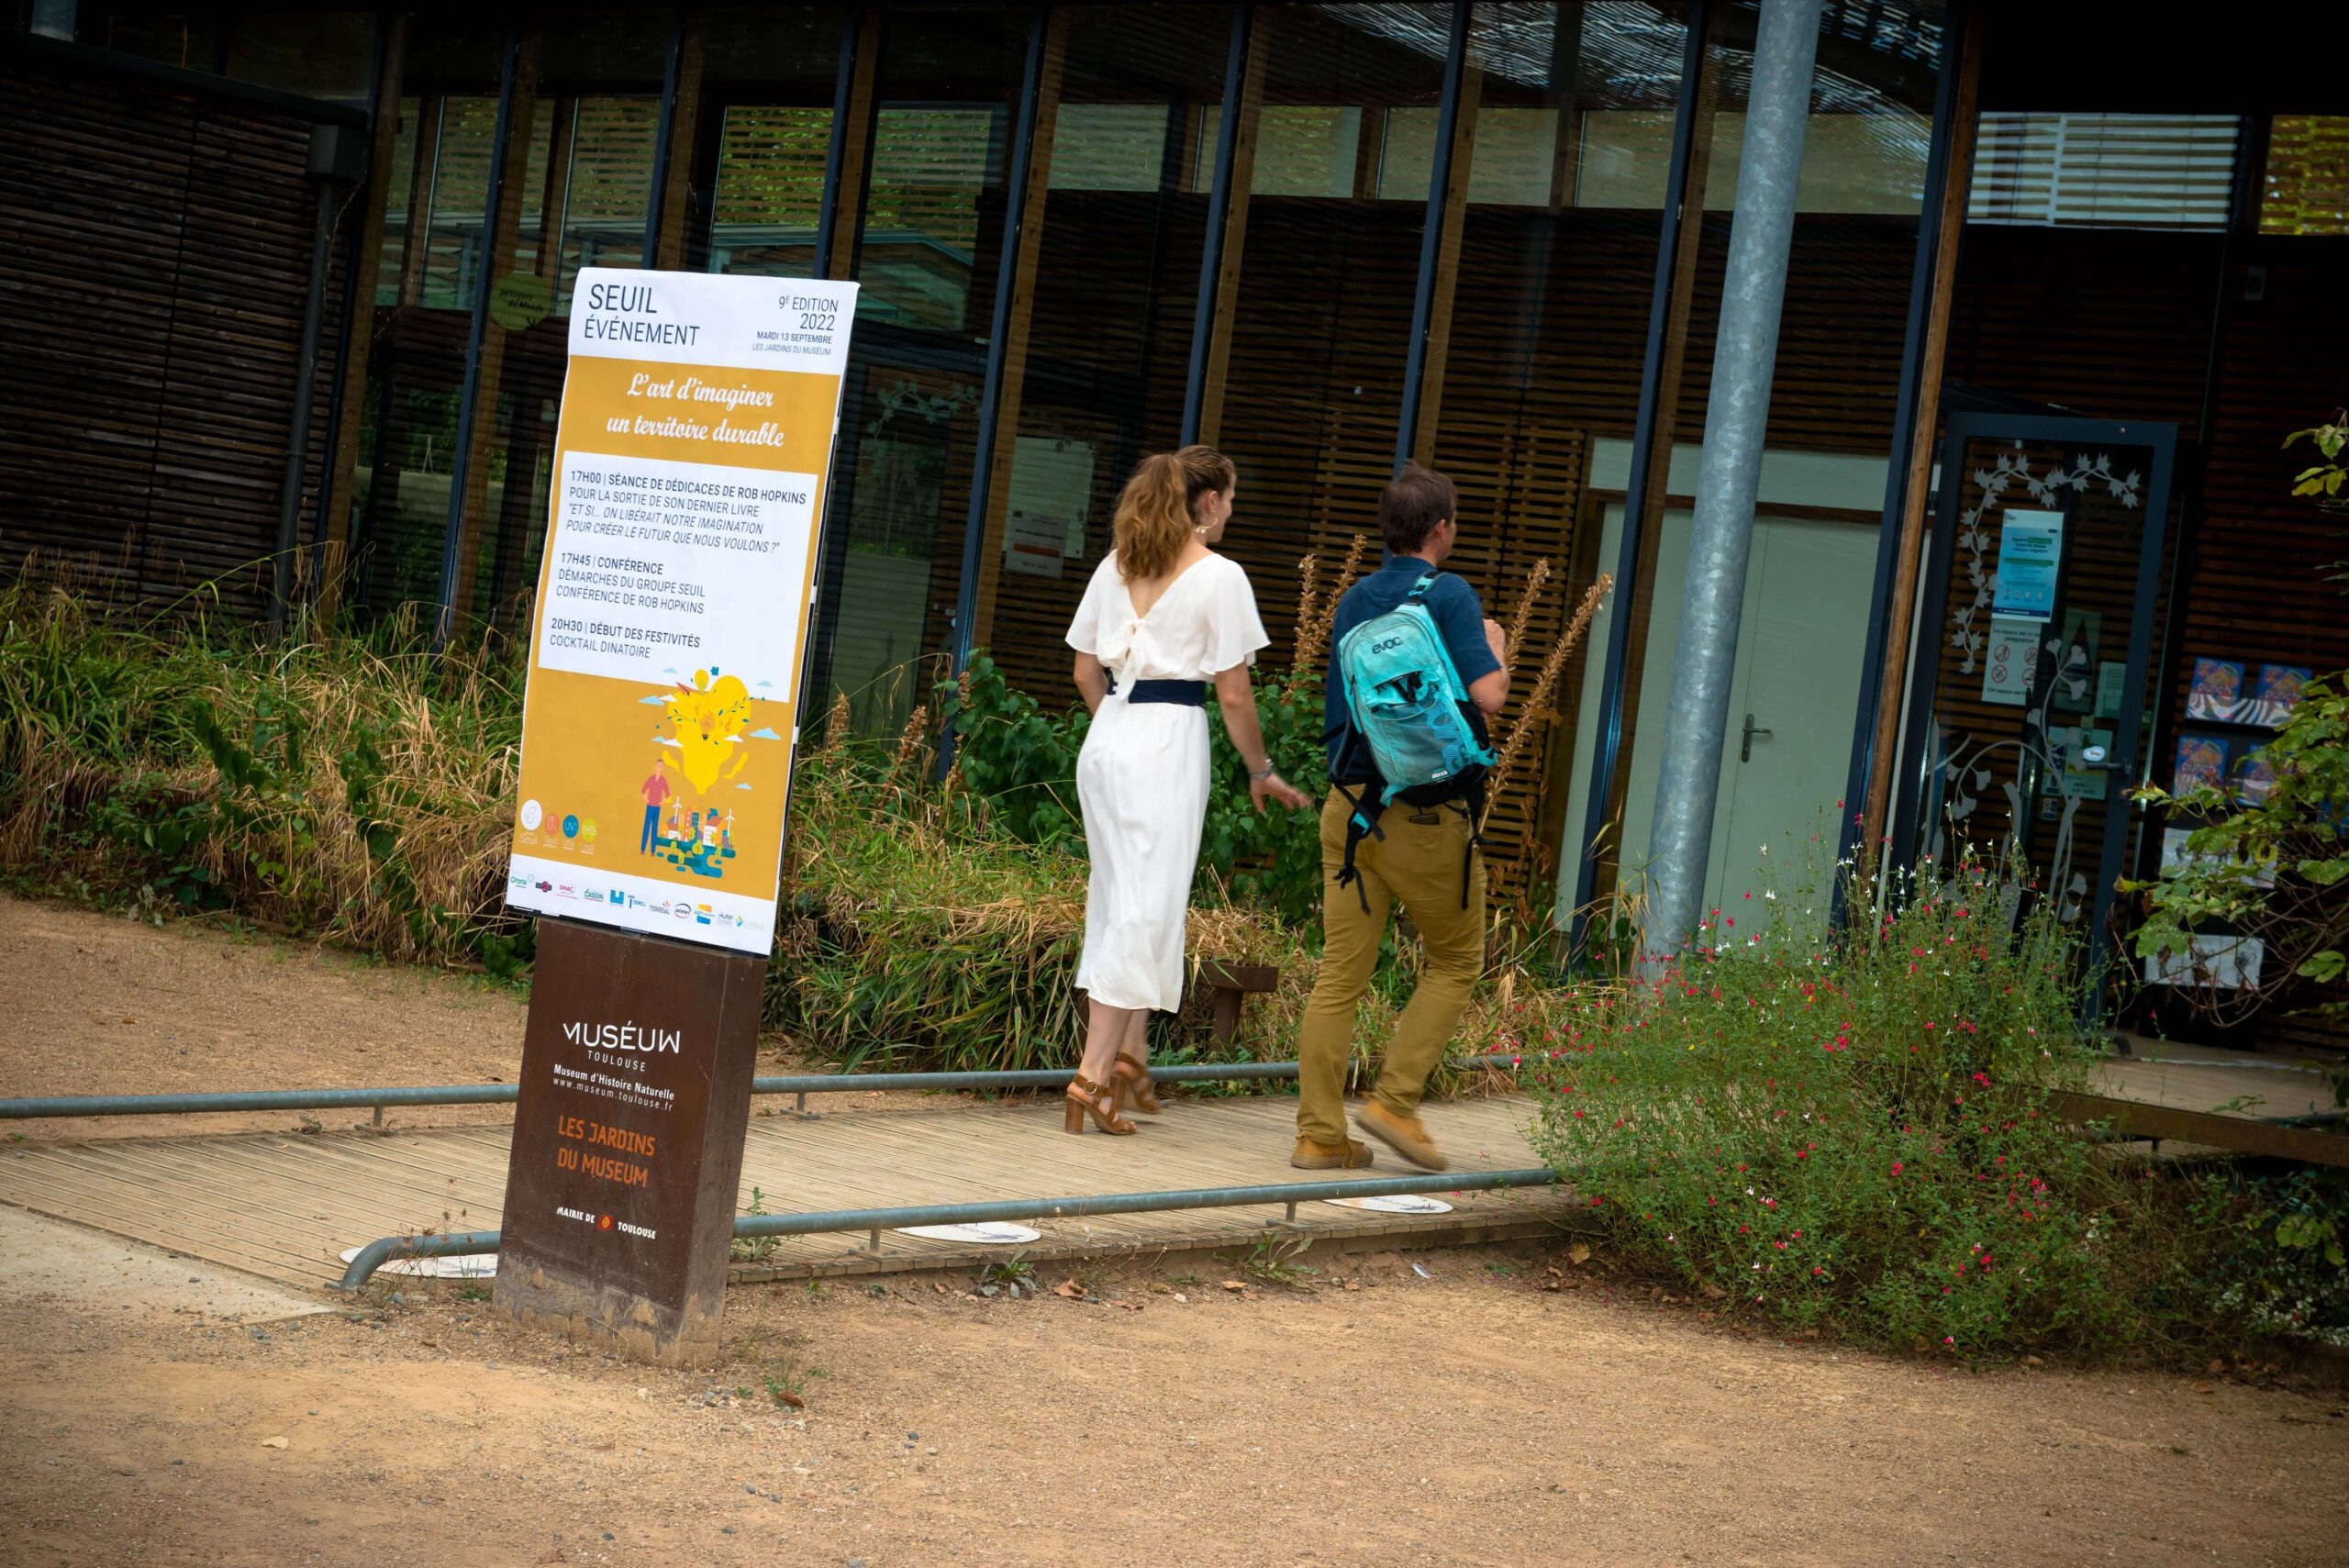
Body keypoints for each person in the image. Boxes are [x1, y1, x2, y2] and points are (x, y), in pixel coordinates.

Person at [1063, 445, 1311, 1135]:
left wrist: (1117, 729)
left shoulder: (1116, 566)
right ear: (1206, 504)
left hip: (1109, 733)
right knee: (1145, 907)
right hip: (1168, 739)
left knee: (1118, 900)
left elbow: (1086, 670)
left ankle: (1123, 1064)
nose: (1231, 509)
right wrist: (1260, 769)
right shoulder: (1220, 576)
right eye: (1228, 498)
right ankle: (1091, 1074)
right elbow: (1233, 693)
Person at [1294, 463, 1508, 1172]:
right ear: (1441, 529)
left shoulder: (1355, 598)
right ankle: (1394, 1100)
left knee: (1339, 975)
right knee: (1455, 959)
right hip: (1425, 820)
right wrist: (1498, 647)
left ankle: (1320, 1134)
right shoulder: (1448, 594)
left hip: (1350, 811)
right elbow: (1489, 694)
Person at [639, 761, 671, 855]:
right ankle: (642, 849)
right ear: (655, 766)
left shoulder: (663, 780)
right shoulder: (651, 778)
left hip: (657, 808)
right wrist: (646, 800)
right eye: (658, 765)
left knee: (654, 828)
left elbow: (668, 794)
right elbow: (643, 790)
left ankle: (653, 851)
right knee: (646, 827)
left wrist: (662, 802)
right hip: (649, 806)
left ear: (663, 767)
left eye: (661, 765)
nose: (659, 766)